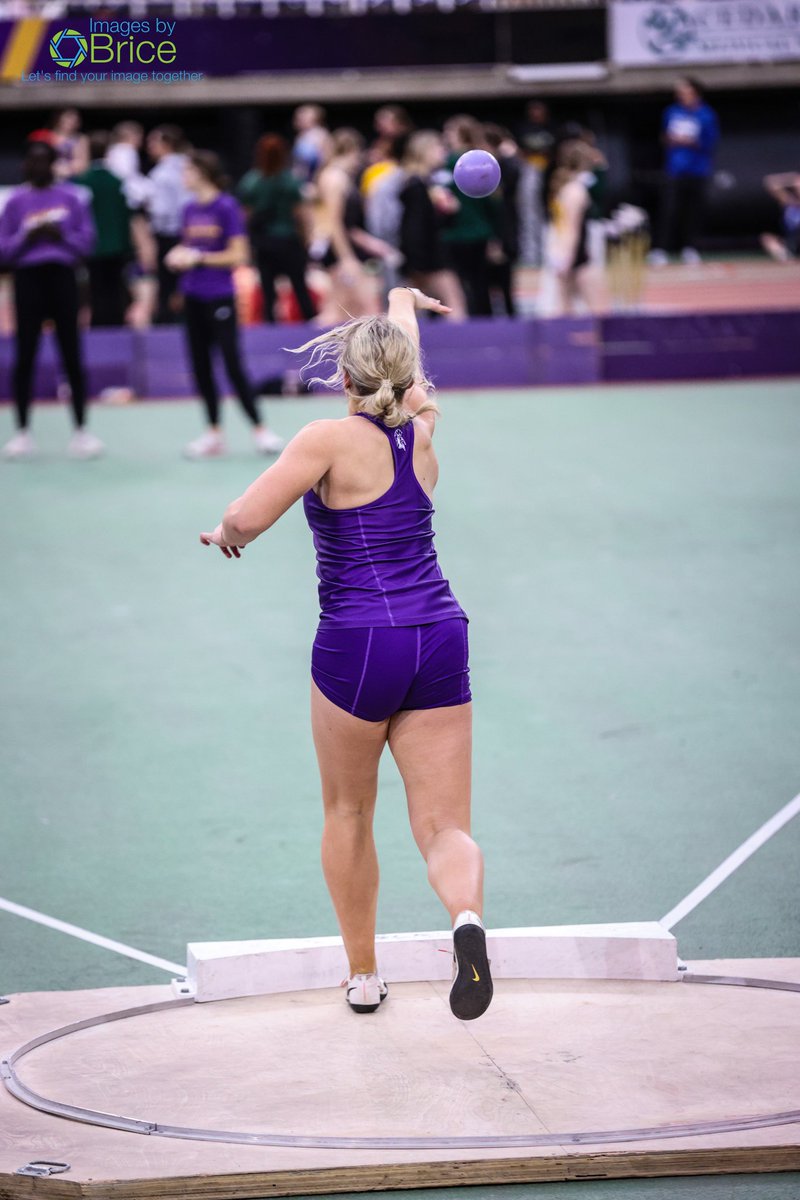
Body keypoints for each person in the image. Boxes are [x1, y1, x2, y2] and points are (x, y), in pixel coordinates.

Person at [199, 286, 493, 1022]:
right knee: (444, 826)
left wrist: (226, 533)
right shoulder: (422, 434)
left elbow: (247, 517)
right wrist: (400, 302)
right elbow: (413, 379)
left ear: (345, 378)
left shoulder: (324, 440)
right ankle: (466, 922)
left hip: (358, 645)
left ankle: (364, 976)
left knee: (348, 810)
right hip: (439, 635)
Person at [165, 150, 284, 459]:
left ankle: (260, 430)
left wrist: (200, 258)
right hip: (192, 296)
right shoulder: (189, 209)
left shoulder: (226, 206)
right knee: (200, 366)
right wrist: (180, 255)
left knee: (232, 364)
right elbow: (190, 247)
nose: (183, 177)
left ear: (203, 172)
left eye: (188, 170)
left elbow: (239, 254)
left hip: (219, 296)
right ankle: (213, 433)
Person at [0, 141, 102, 460]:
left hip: (62, 278)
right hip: (28, 280)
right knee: (25, 355)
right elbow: (3, 250)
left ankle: (81, 430)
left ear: (55, 164)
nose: (39, 166)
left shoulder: (72, 198)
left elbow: (88, 245)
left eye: (46, 160)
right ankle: (22, 431)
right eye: (34, 161)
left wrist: (62, 237)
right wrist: (26, 237)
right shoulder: (15, 201)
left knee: (71, 353)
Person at [237, 134, 316, 323]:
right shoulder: (291, 181)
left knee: (268, 290)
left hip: (264, 242)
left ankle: (270, 326)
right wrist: (306, 241)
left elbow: (244, 217)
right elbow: (301, 216)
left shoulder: (252, 181)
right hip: (289, 241)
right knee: (299, 286)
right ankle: (310, 325)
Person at [649, 77, 719, 267]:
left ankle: (690, 249)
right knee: (668, 210)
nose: (681, 96)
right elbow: (664, 137)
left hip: (697, 170)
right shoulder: (672, 112)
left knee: (693, 212)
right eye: (679, 93)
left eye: (685, 92)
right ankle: (660, 250)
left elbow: (710, 143)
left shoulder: (706, 114)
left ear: (695, 93)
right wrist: (671, 139)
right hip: (674, 170)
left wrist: (689, 141)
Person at [398, 131, 466, 319]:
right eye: (438, 148)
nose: (443, 152)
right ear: (424, 151)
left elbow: (429, 224)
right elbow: (413, 228)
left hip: (426, 256)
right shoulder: (416, 185)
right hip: (428, 259)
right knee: (454, 305)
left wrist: (447, 211)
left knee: (426, 309)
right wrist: (418, 262)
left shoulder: (426, 183)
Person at [441, 116, 501, 317]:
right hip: (478, 232)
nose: (446, 136)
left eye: (449, 132)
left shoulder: (450, 163)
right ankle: (483, 321)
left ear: (460, 134)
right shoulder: (484, 160)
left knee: (462, 284)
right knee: (480, 283)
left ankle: (467, 322)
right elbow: (493, 204)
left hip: (459, 233)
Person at [73, 130, 134, 327]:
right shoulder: (116, 181)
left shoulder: (81, 182)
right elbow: (126, 216)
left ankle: (99, 324)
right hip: (116, 245)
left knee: (96, 289)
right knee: (115, 288)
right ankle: (116, 322)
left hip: (94, 246)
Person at [545, 139, 605, 315]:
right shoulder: (575, 191)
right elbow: (571, 228)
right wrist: (567, 258)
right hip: (575, 257)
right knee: (598, 311)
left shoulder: (564, 188)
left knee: (565, 308)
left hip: (567, 253)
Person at [146, 124, 191, 323]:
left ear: (167, 144)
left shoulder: (162, 173)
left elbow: (160, 210)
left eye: (154, 141)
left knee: (169, 284)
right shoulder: (188, 165)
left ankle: (170, 322)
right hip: (189, 230)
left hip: (170, 233)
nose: (149, 146)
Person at [761, 172, 800, 262]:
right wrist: (793, 179)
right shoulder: (789, 202)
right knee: (767, 238)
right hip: (793, 241)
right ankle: (788, 258)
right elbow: (770, 182)